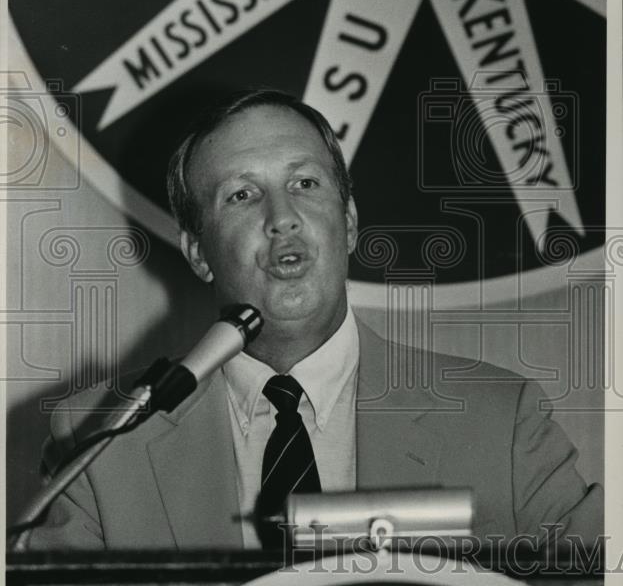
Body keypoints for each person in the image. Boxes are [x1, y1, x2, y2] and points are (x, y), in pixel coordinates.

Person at [25, 90, 602, 550]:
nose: (283, 218)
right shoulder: (101, 441)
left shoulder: (500, 423)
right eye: (242, 195)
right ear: (198, 252)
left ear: (348, 221)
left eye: (305, 184)